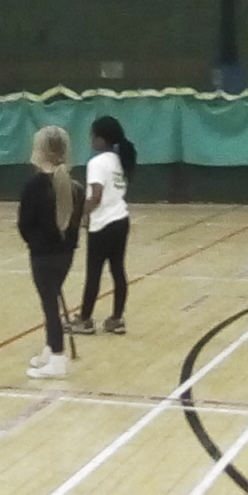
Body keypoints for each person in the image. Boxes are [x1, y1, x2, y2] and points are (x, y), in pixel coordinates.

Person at [17, 125, 84, 379]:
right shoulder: (75, 187)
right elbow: (74, 226)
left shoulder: (34, 186)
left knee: (49, 306)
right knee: (51, 300)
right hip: (65, 255)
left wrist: (36, 243)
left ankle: (57, 358)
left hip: (43, 256)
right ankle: (50, 348)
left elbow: (24, 225)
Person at [69, 115, 135, 335]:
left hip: (103, 225)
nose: (90, 139)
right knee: (117, 270)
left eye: (93, 135)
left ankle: (85, 320)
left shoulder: (97, 163)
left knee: (94, 273)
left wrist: (78, 214)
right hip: (121, 220)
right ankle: (117, 318)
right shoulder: (118, 160)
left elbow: (96, 196)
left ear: (101, 139)